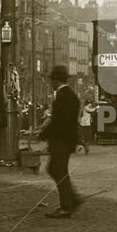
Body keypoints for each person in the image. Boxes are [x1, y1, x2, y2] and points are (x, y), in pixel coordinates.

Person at [40, 66, 83, 218]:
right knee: (56, 169)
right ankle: (72, 199)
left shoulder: (63, 96)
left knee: (58, 171)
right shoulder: (71, 95)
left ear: (56, 80)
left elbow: (59, 121)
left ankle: (66, 205)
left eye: (52, 79)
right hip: (66, 140)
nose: (51, 82)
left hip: (61, 141)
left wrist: (43, 134)